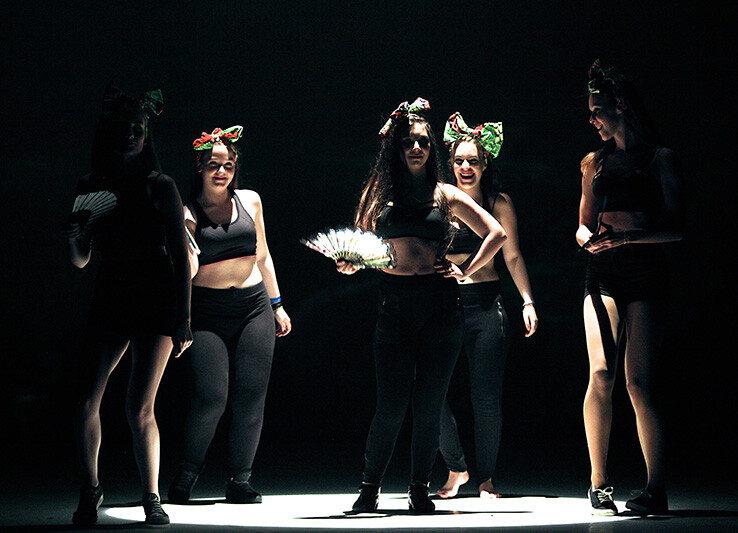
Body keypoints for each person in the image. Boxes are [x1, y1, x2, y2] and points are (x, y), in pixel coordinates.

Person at [337, 98, 507, 513]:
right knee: (391, 405)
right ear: (395, 148)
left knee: (429, 404)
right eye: (408, 142)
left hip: (440, 306)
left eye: (424, 142)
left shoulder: (445, 194)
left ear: (432, 149)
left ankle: (418, 489)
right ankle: (369, 489)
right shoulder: (379, 195)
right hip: (394, 303)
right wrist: (352, 263)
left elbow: (496, 233)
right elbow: (360, 247)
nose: (416, 148)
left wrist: (465, 269)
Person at [64, 84, 192, 526]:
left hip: (155, 290)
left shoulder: (160, 185)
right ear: (109, 133)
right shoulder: (90, 185)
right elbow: (81, 260)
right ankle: (90, 488)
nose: (132, 134)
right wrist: (75, 237)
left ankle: (150, 496)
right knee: (86, 400)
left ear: (146, 134)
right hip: (112, 290)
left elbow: (180, 255)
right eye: (125, 127)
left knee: (140, 407)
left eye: (139, 128)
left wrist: (183, 318)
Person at [577, 60, 683, 515]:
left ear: (620, 106)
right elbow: (582, 224)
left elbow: (678, 227)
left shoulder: (659, 159)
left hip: (645, 272)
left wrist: (626, 239)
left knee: (637, 382)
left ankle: (655, 488)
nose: (592, 120)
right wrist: (587, 239)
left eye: (597, 110)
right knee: (600, 373)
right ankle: (599, 483)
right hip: (602, 272)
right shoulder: (593, 163)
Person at [167, 126, 291, 505]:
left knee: (251, 397)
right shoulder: (187, 213)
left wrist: (277, 304)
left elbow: (263, 255)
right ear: (200, 167)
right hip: (207, 311)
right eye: (214, 165)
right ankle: (187, 472)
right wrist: (182, 317)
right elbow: (184, 270)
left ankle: (240, 479)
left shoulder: (250, 200)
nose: (222, 172)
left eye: (229, 165)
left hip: (253, 305)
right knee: (211, 398)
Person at [436, 112, 538, 500]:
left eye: (473, 161)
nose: (466, 168)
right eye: (459, 161)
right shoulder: (440, 201)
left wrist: (527, 300)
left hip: (485, 303)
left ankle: (486, 479)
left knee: (486, 398)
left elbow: (512, 256)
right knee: (432, 390)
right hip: (443, 304)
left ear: (485, 165)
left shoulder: (499, 203)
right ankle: (456, 467)